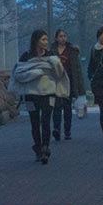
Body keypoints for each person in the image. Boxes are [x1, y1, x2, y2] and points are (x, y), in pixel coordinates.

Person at [9, 29, 68, 164]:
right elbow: (19, 74)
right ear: (36, 41)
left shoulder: (51, 56)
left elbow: (59, 74)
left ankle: (45, 147)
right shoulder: (26, 57)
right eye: (43, 40)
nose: (46, 42)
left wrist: (56, 63)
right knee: (34, 123)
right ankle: (37, 148)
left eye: (47, 40)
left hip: (48, 93)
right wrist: (35, 73)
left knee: (46, 121)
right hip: (31, 95)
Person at [49, 29, 85, 141]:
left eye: (64, 36)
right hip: (56, 82)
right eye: (60, 36)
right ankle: (56, 129)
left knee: (67, 107)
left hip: (69, 82)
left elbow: (77, 69)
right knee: (56, 107)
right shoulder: (51, 51)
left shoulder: (72, 51)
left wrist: (79, 86)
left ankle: (67, 131)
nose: (63, 38)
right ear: (56, 38)